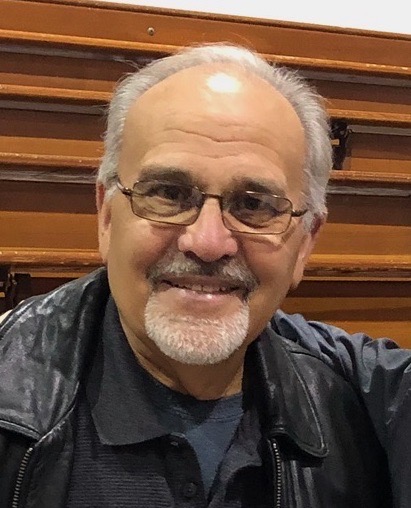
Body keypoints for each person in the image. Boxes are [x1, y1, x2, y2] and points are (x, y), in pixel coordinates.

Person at [0, 43, 396, 507]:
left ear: (306, 241)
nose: (207, 242)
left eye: (254, 205)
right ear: (106, 217)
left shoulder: (365, 419)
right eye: (168, 194)